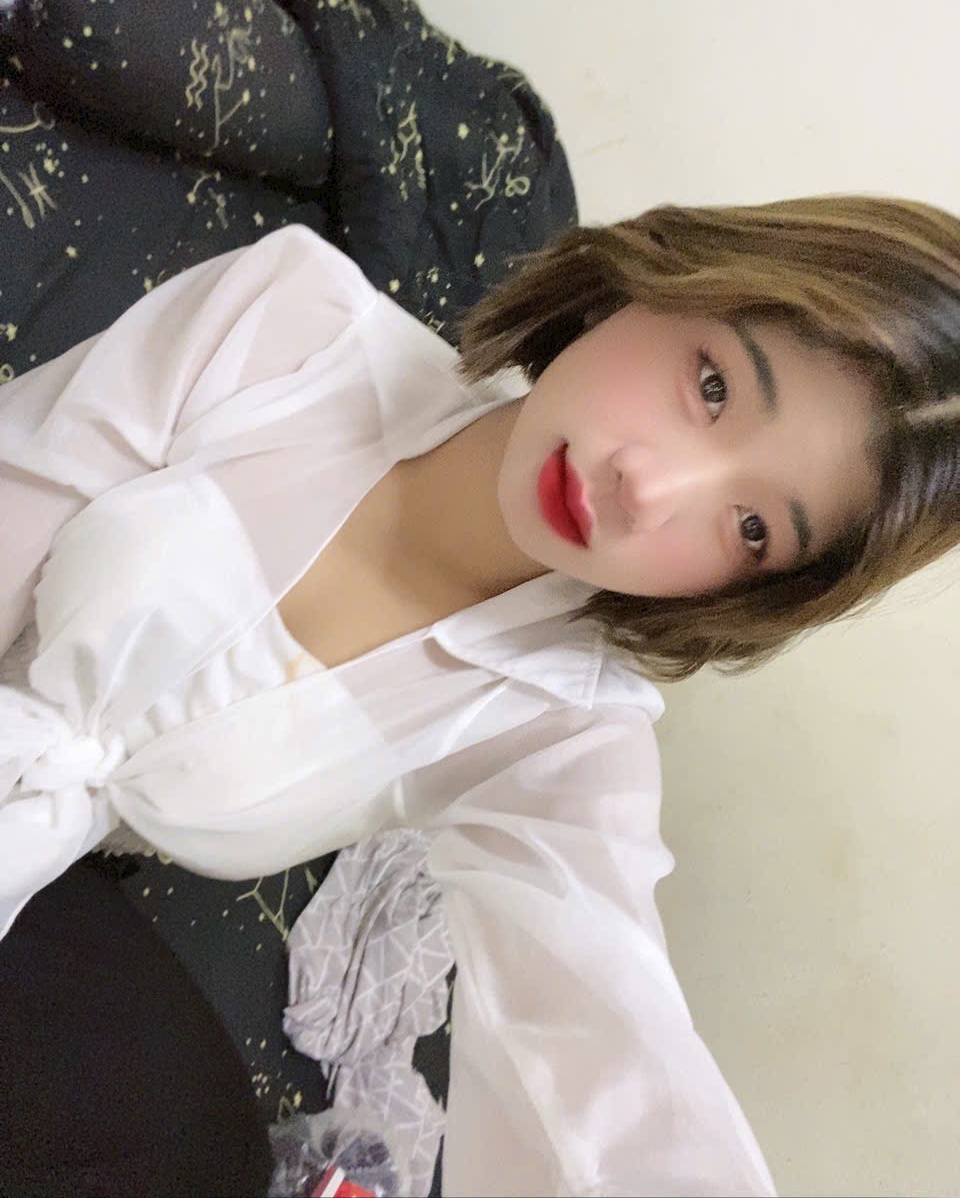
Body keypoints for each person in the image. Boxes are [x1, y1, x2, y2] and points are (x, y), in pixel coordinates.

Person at [1, 196, 958, 1196]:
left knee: (196, 1156)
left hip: (47, 870)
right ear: (658, 284)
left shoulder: (563, 729)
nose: (647, 489)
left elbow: (612, 1055)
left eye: (752, 527)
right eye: (712, 385)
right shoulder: (287, 323)